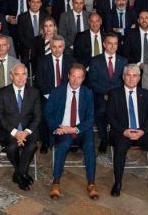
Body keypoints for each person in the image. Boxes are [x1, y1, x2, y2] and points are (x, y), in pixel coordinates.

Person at [107, 65, 148, 196]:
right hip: (122, 131)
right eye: (128, 75)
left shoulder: (145, 93)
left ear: (139, 78)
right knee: (120, 149)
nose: (131, 78)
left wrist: (143, 131)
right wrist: (124, 131)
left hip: (141, 131)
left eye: (135, 75)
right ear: (123, 77)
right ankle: (118, 182)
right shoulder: (114, 94)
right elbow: (110, 117)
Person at [45, 64, 98, 200]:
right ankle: (56, 182)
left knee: (90, 146)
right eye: (73, 76)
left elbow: (91, 118)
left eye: (79, 77)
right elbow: (48, 113)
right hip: (63, 129)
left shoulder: (87, 93)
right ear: (68, 76)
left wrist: (75, 129)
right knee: (62, 146)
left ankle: (91, 183)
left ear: (83, 79)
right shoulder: (57, 91)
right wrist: (55, 128)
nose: (75, 80)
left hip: (81, 129)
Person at [0, 64, 42, 191]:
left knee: (32, 145)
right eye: (17, 74)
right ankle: (23, 173)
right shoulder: (2, 92)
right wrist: (15, 132)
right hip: (8, 131)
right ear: (11, 76)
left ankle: (19, 174)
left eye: (24, 74)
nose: (21, 78)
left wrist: (25, 132)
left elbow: (37, 117)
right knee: (12, 147)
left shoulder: (34, 92)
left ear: (27, 76)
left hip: (28, 130)